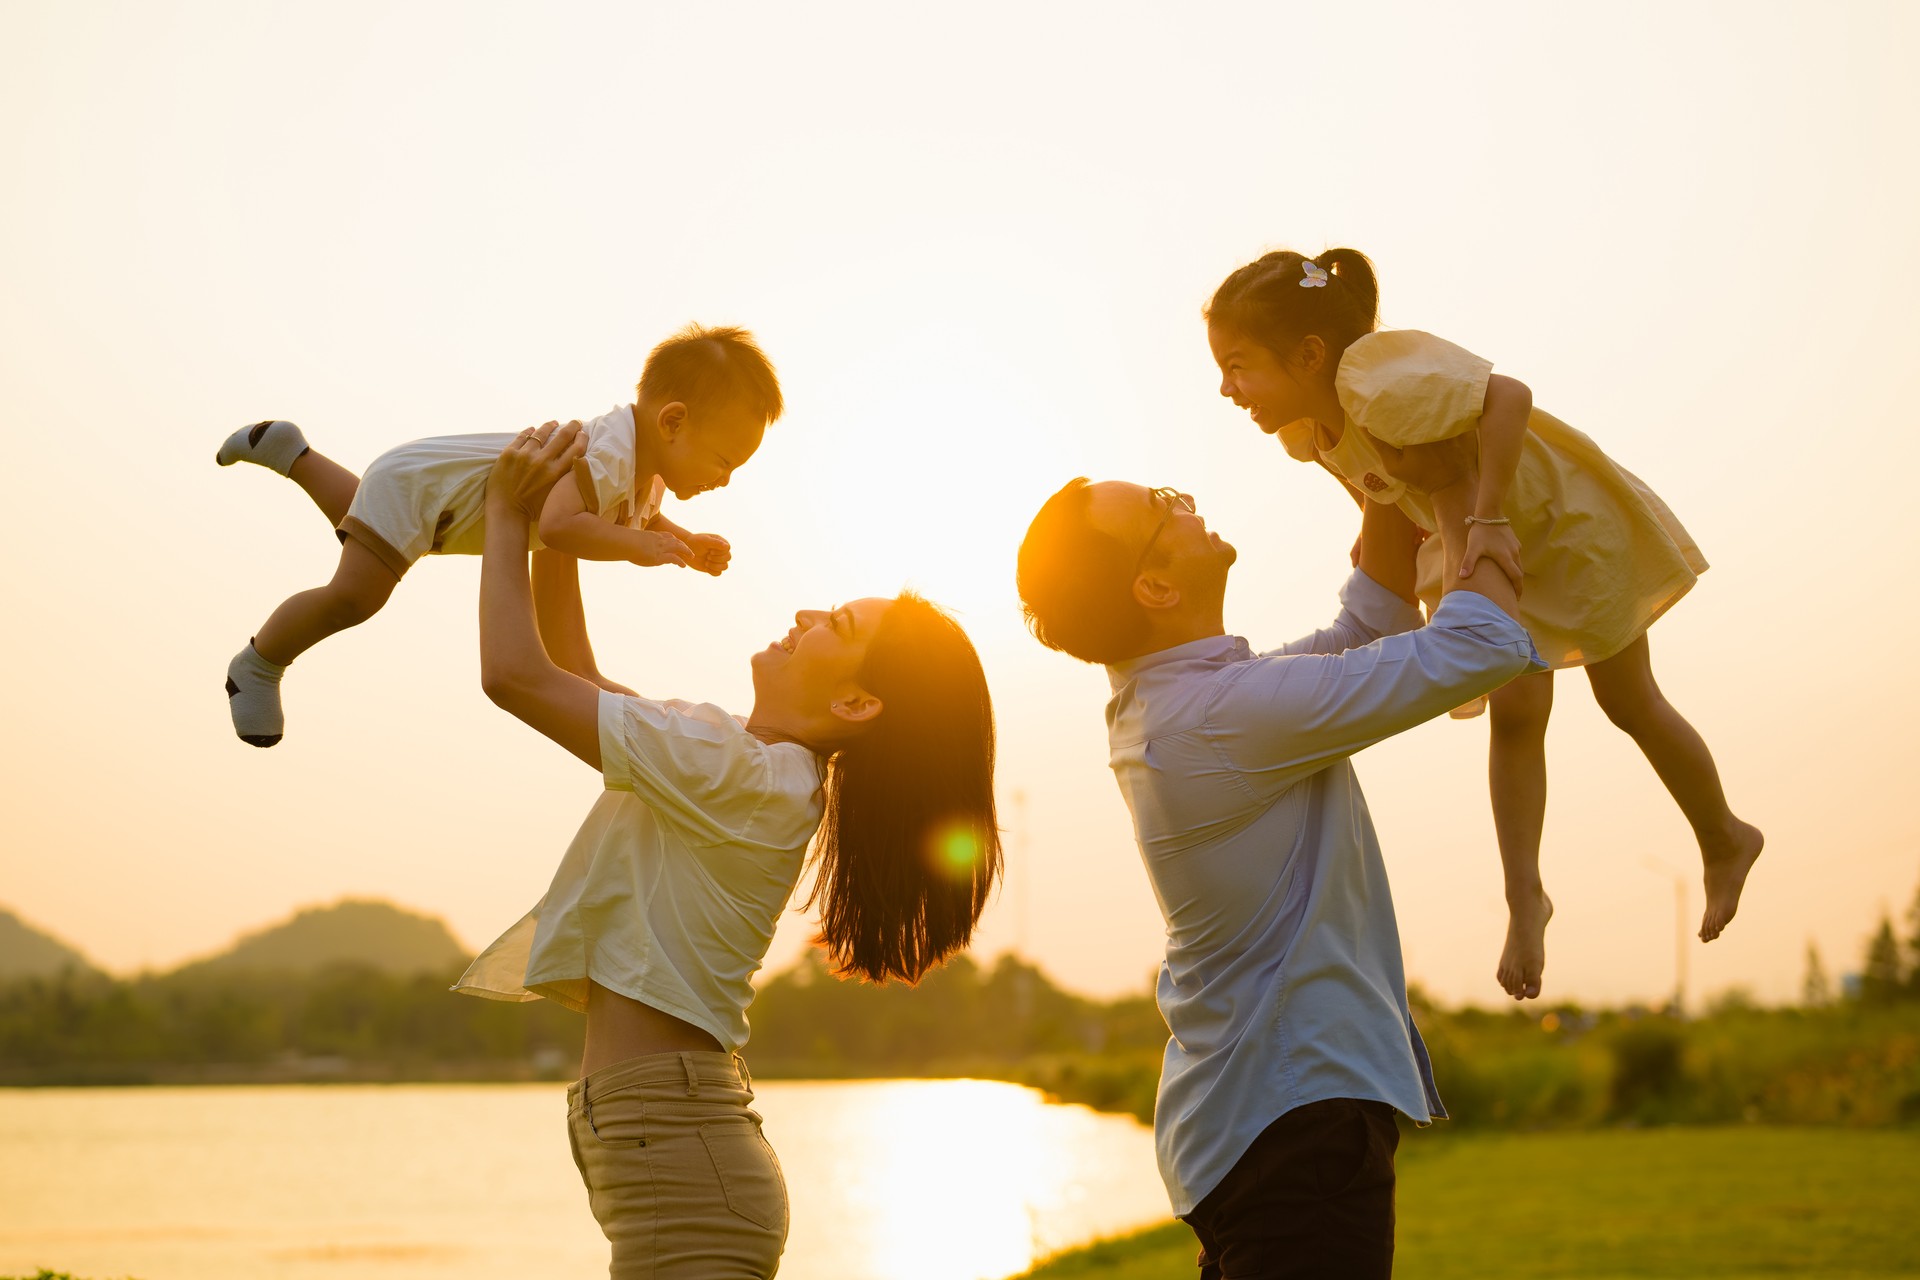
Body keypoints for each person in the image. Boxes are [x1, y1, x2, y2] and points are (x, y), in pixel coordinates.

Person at [455, 422, 1002, 1280]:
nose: (804, 614)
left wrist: (500, 513)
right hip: (673, 1145)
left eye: (837, 623)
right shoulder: (741, 766)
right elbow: (571, 669)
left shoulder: (742, 773)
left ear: (859, 704)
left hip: (682, 1154)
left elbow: (515, 677)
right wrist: (554, 527)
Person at [1015, 438, 1537, 1277]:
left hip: (1262, 1122)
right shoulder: (1216, 717)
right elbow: (1483, 648)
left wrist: (1373, 458)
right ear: (1154, 587)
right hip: (1295, 1124)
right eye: (1161, 506)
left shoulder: (1189, 704)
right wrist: (1475, 509)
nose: (1183, 502)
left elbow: (1369, 626)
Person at [1206, 247, 1763, 999]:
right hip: (1469, 535)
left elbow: (1508, 395)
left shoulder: (1377, 378)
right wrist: (1388, 533)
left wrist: (1492, 511)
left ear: (1308, 355)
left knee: (1628, 699)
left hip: (1553, 521)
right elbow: (1375, 484)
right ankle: (1525, 898)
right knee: (1517, 714)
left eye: (1238, 365)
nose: (1225, 387)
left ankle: (1725, 836)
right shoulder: (1310, 430)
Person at [216, 323, 778, 747]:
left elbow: (636, 517)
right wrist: (641, 551)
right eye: (722, 461)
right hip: (424, 488)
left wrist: (682, 539)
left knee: (366, 522)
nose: (723, 481)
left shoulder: (641, 469)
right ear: (673, 422)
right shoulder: (608, 452)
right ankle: (259, 664)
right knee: (357, 594)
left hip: (438, 501)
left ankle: (291, 452)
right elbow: (560, 526)